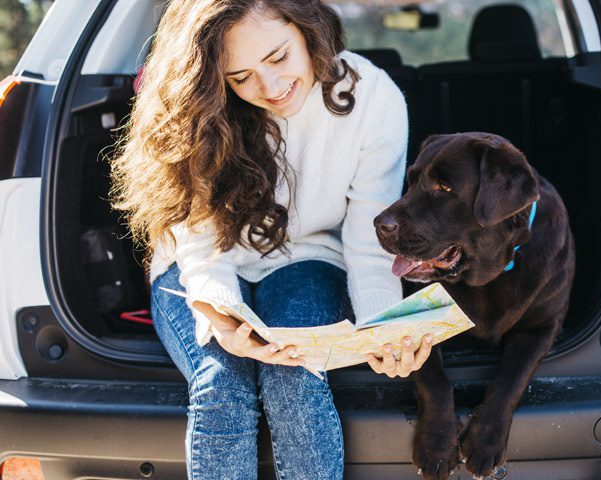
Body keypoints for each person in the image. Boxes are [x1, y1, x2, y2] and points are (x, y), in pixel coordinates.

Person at [110, 0, 433, 478]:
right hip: (199, 262)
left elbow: (369, 240)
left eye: (278, 57)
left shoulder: (373, 99)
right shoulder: (200, 108)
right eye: (240, 77)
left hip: (308, 255)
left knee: (294, 376)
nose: (271, 87)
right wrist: (219, 313)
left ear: (307, 28)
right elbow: (196, 238)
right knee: (222, 383)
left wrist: (382, 326)